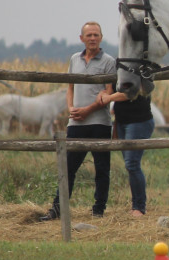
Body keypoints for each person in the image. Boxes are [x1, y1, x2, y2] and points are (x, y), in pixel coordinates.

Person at [41, 22, 116, 221]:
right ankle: (58, 209)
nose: (93, 38)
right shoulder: (74, 59)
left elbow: (108, 93)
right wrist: (71, 109)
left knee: (102, 169)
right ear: (81, 38)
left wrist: (87, 110)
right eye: (89, 35)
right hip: (76, 124)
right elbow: (70, 87)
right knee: (68, 168)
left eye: (96, 35)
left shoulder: (109, 61)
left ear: (101, 37)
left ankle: (98, 210)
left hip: (100, 123)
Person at [98, 86, 155, 217]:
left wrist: (109, 98)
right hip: (122, 122)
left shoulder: (137, 67)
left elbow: (131, 92)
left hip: (138, 121)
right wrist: (104, 94)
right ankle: (137, 205)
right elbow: (111, 88)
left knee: (132, 164)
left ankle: (139, 207)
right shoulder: (117, 68)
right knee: (130, 165)